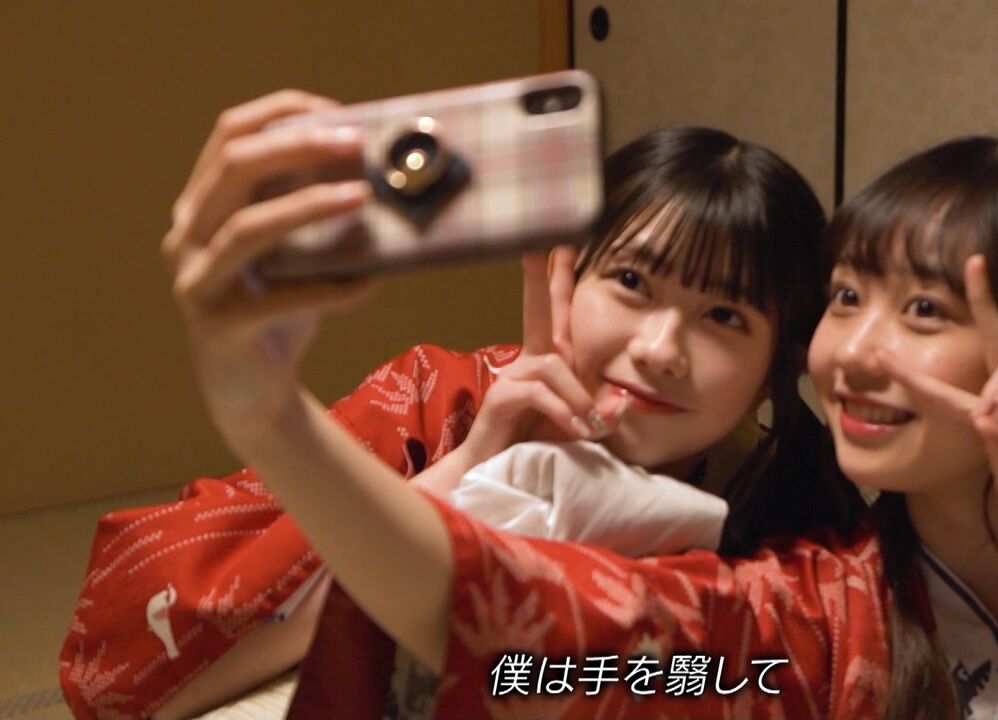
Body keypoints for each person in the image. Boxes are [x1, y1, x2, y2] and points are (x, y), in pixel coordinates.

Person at [175, 133, 998, 719]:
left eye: (924, 311)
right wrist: (275, 417)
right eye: (845, 299)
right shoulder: (811, 610)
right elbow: (534, 638)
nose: (851, 351)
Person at [59, 90, 862, 719]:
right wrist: (470, 467)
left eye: (724, 316)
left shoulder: (790, 505)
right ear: (565, 272)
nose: (659, 347)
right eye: (630, 281)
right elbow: (133, 664)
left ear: (778, 363)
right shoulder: (436, 398)